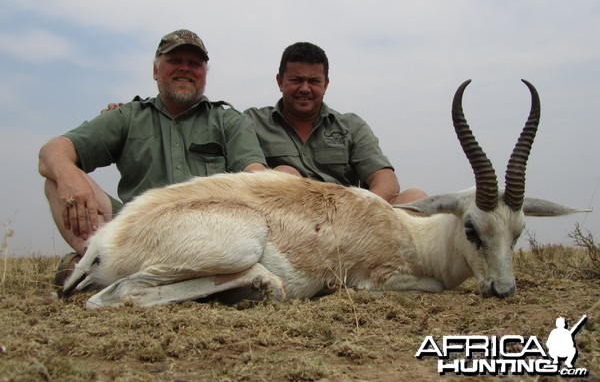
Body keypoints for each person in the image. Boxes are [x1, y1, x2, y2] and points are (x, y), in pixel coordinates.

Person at [39, 29, 267, 282]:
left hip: (210, 236)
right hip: (138, 233)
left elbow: (254, 175)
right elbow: (52, 151)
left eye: (194, 63)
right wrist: (69, 175)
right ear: (156, 71)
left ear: (204, 74)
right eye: (175, 61)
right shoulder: (128, 116)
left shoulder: (229, 121)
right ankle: (102, 265)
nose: (185, 69)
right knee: (55, 180)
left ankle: (105, 276)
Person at [245, 42, 425, 204]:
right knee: (284, 175)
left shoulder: (351, 126)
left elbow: (385, 179)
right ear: (280, 81)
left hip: (348, 217)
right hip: (285, 218)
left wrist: (360, 211)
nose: (305, 88)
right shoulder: (251, 122)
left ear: (326, 84)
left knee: (416, 197)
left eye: (314, 81)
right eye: (297, 80)